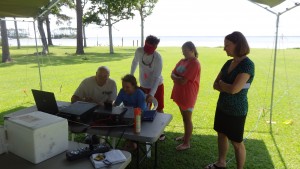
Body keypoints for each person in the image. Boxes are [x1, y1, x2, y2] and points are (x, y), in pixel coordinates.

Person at [205, 31, 255, 169]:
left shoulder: (247, 65)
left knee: (237, 142)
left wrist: (223, 84)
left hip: (236, 110)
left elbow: (234, 90)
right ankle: (221, 163)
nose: (224, 48)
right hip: (222, 106)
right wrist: (225, 85)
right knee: (221, 134)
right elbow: (215, 84)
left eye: (227, 45)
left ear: (238, 45)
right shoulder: (228, 63)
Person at [171, 41, 201, 151]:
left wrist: (177, 77)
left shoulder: (195, 63)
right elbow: (172, 73)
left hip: (188, 95)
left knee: (187, 119)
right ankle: (185, 137)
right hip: (180, 94)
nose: (183, 53)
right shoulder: (182, 61)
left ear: (192, 50)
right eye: (182, 51)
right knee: (184, 118)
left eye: (185, 51)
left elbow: (183, 81)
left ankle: (186, 143)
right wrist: (177, 78)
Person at [130, 35, 164, 112]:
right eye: (146, 48)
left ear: (155, 47)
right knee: (143, 109)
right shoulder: (139, 51)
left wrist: (152, 94)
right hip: (143, 85)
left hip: (157, 86)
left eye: (150, 50)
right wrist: (131, 75)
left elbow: (157, 77)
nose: (147, 52)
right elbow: (134, 62)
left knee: (159, 109)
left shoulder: (158, 58)